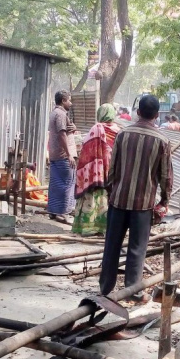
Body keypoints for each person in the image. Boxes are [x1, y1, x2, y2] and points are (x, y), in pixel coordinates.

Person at [100, 94, 173, 299]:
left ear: (138, 112)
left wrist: (110, 191)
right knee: (136, 249)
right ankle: (132, 291)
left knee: (112, 245)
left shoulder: (123, 134)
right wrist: (164, 202)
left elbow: (112, 168)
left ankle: (105, 288)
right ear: (157, 115)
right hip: (143, 205)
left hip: (119, 200)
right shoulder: (162, 141)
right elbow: (166, 175)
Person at [72, 104, 120, 236]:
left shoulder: (96, 128)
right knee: (107, 196)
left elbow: (86, 150)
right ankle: (105, 228)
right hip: (111, 170)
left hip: (93, 172)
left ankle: (88, 227)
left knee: (92, 196)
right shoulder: (119, 131)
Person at [47, 90, 78, 223]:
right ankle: (64, 213)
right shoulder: (60, 114)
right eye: (69, 100)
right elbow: (61, 134)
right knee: (67, 184)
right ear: (63, 100)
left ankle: (54, 211)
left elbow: (63, 131)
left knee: (55, 184)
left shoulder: (55, 113)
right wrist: (69, 154)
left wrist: (73, 128)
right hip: (63, 155)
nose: (70, 103)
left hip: (55, 154)